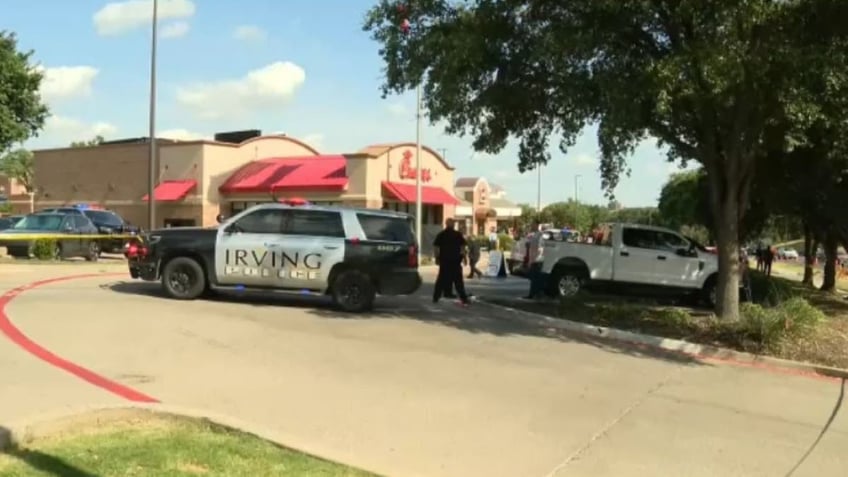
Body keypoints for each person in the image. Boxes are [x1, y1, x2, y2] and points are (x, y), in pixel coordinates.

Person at [433, 218, 470, 305]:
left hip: (445, 261)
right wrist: (464, 258)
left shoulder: (441, 234)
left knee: (441, 279)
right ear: (451, 224)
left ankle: (436, 297)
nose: (453, 224)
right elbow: (462, 248)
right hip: (455, 261)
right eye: (452, 223)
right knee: (458, 281)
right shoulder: (457, 234)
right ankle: (463, 298)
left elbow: (436, 247)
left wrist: (437, 258)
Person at [523, 222, 546, 300]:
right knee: (533, 278)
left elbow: (540, 248)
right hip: (533, 259)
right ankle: (532, 294)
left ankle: (537, 294)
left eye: (533, 225)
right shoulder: (534, 235)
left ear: (537, 225)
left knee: (537, 278)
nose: (532, 226)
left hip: (537, 259)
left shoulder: (540, 235)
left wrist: (534, 259)